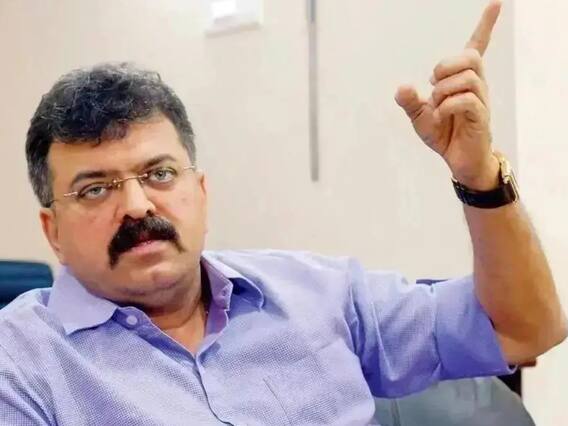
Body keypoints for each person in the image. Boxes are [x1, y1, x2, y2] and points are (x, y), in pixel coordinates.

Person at [0, 1, 565, 424]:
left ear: (201, 192)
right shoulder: (22, 367)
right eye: (95, 189)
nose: (137, 205)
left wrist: (479, 177)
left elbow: (525, 328)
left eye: (160, 174)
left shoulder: (317, 294)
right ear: (53, 231)